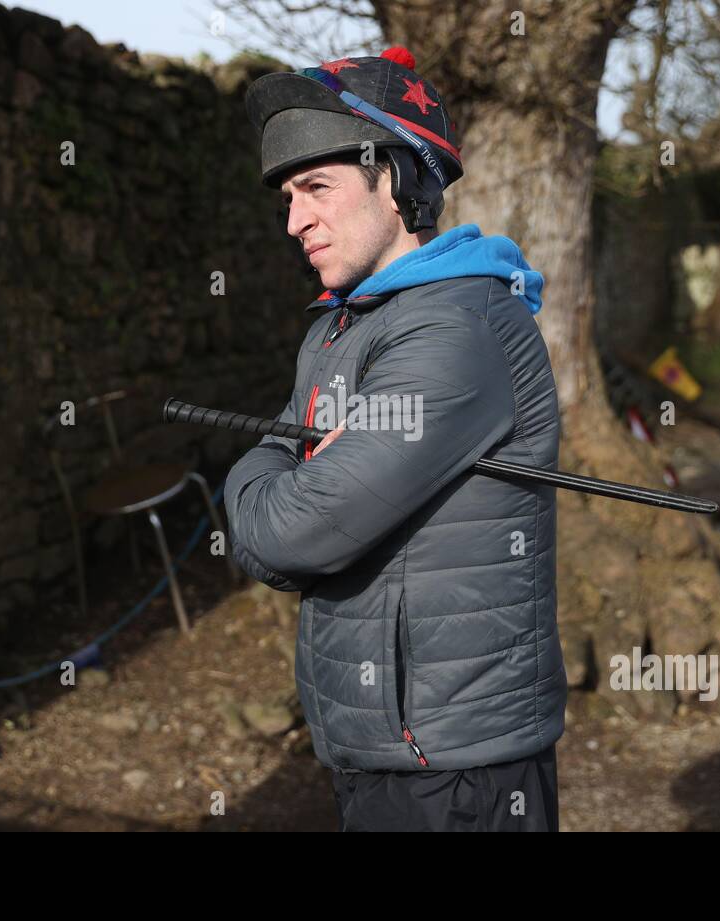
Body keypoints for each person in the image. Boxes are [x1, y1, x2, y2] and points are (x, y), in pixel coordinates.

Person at [225, 46, 567, 832]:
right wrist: (285, 459)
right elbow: (284, 461)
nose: (293, 220)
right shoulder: (344, 326)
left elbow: (289, 533)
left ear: (397, 180)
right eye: (286, 195)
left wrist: (263, 468)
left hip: (455, 768)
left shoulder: (455, 328)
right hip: (382, 747)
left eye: (316, 187)